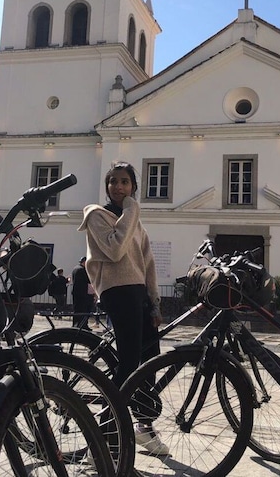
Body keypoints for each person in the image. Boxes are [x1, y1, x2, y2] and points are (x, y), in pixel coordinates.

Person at [78, 161, 169, 456]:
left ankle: (144, 427)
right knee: (129, 363)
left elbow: (148, 263)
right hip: (117, 292)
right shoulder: (96, 215)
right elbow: (115, 250)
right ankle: (103, 436)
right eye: (113, 181)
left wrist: (154, 303)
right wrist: (132, 209)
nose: (118, 187)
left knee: (149, 362)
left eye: (125, 182)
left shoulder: (135, 220)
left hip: (140, 293)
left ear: (133, 186)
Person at [70, 256, 92, 329]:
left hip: (76, 292)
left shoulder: (75, 269)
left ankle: (76, 324)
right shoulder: (82, 270)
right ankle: (83, 325)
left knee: (76, 310)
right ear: (84, 262)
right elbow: (88, 281)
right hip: (83, 293)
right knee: (84, 310)